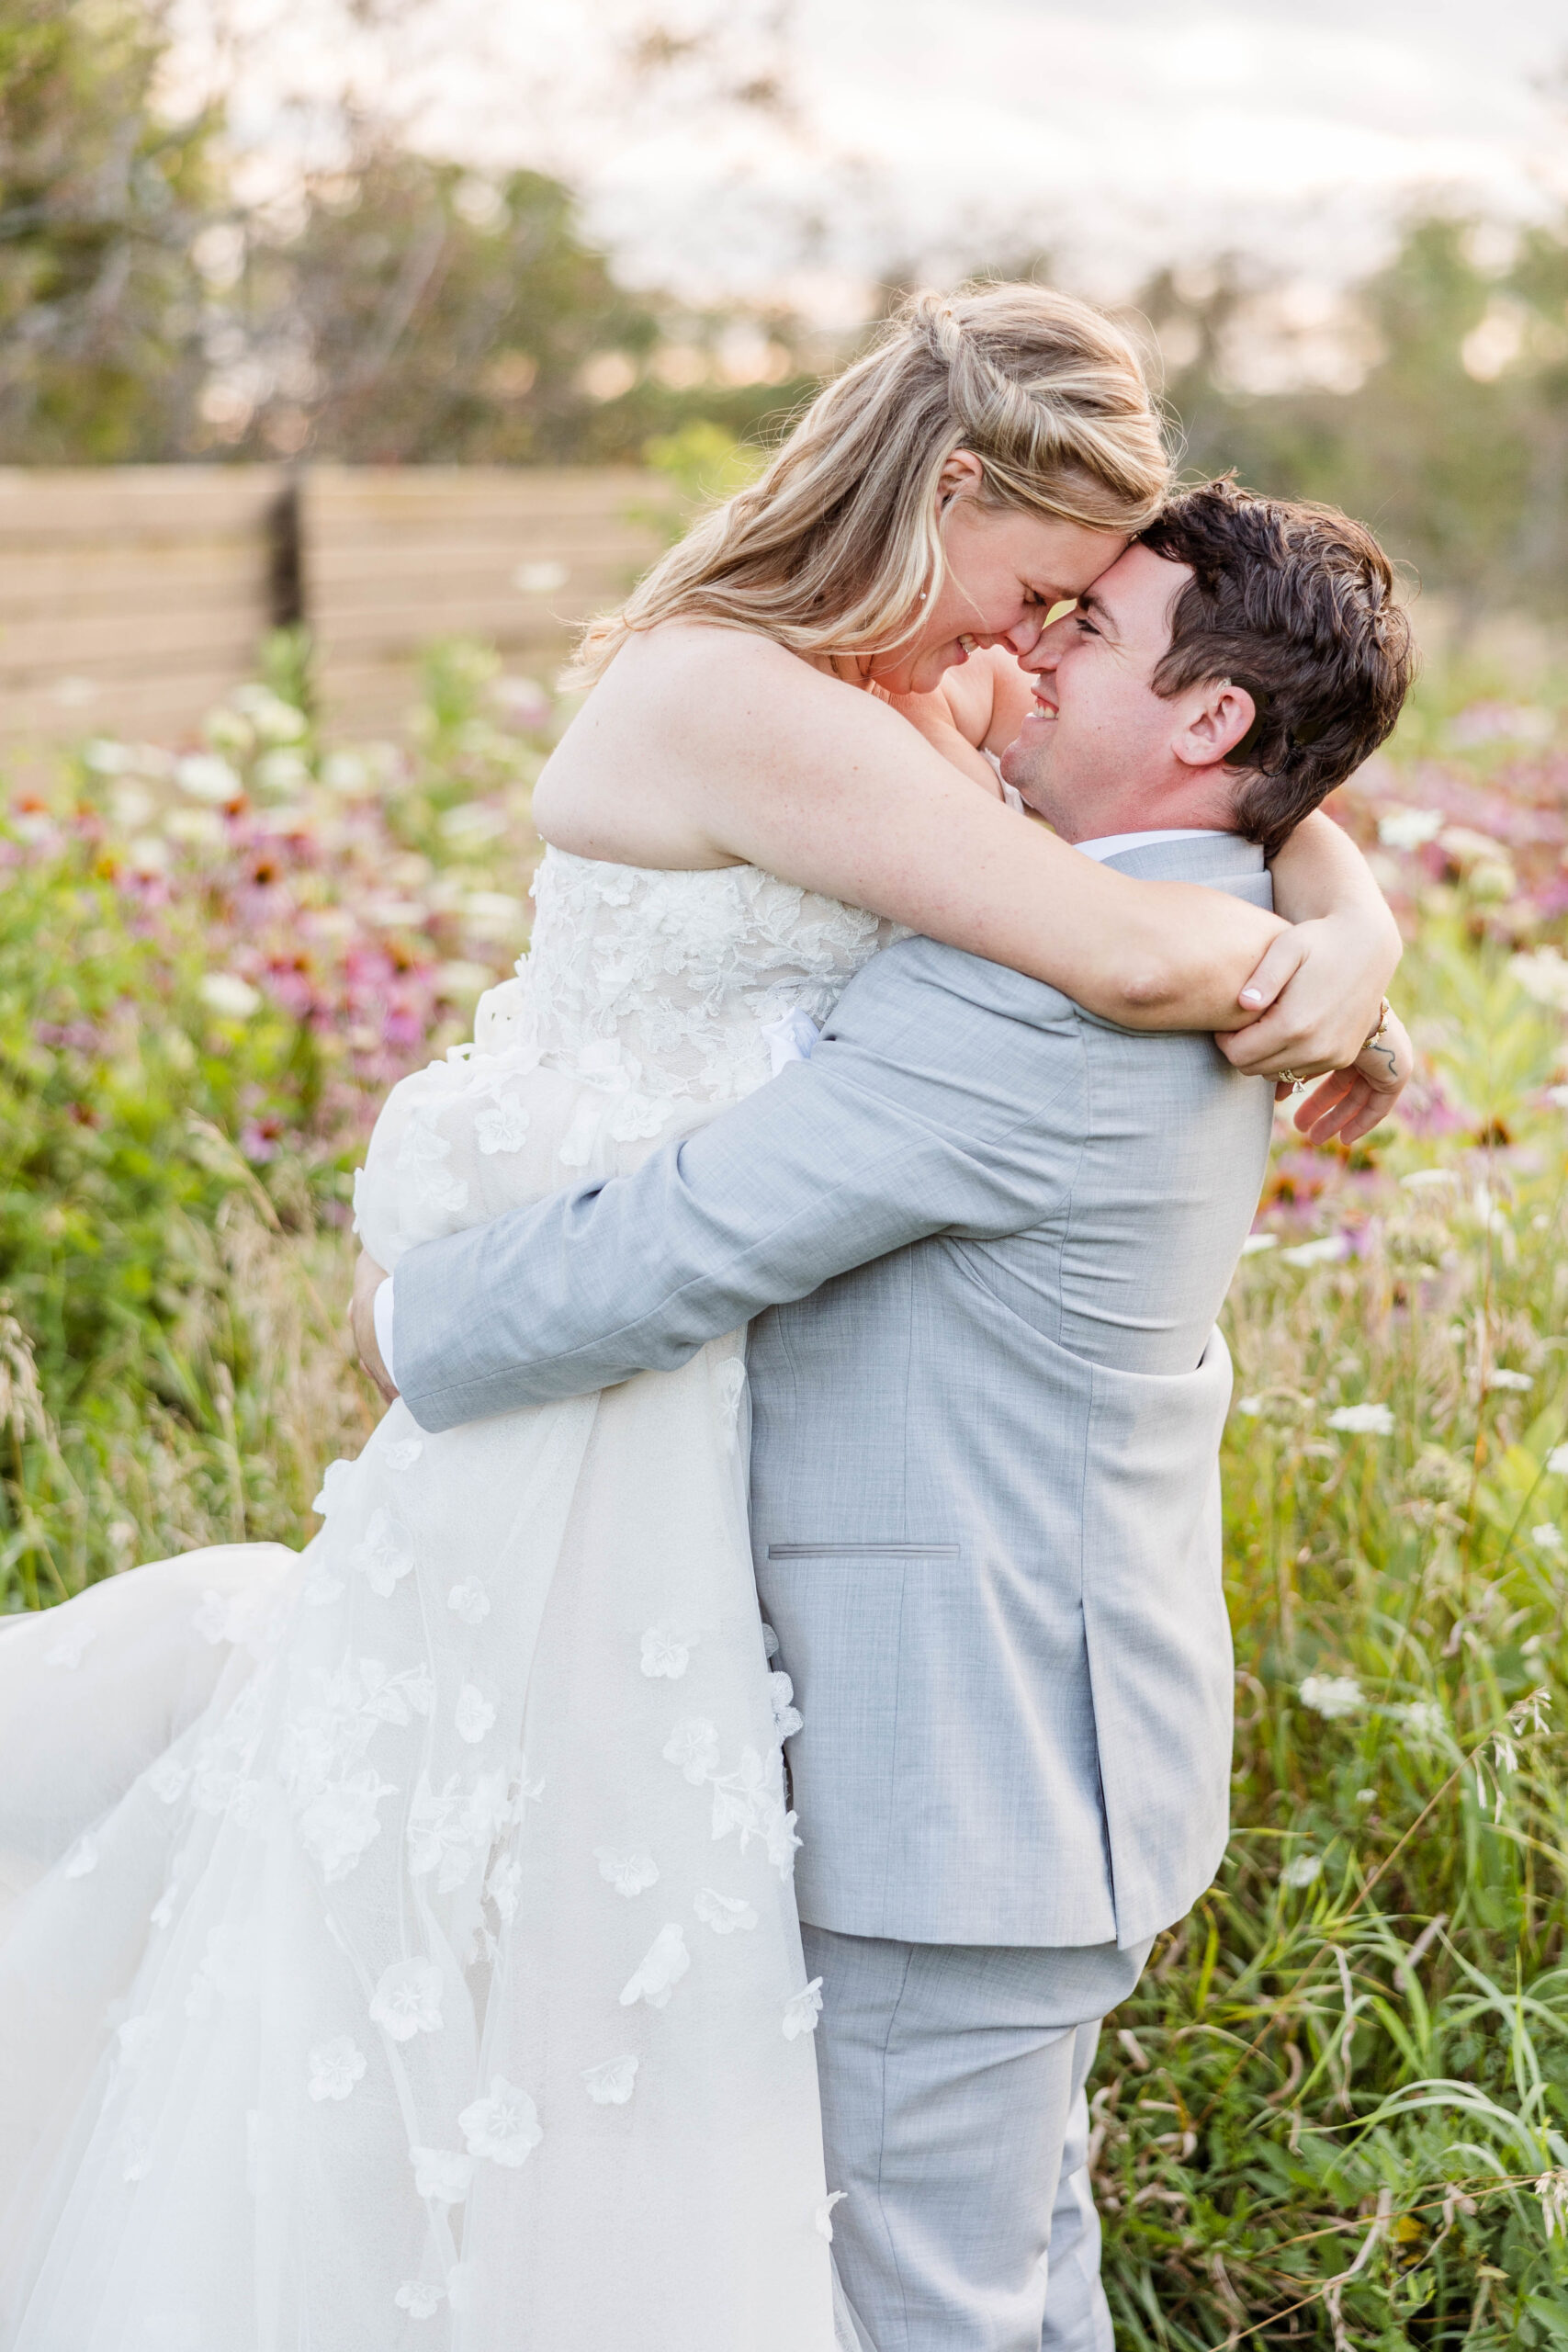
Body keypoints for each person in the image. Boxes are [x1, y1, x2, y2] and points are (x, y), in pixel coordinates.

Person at [0, 288, 1400, 2352]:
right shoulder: (775, 709)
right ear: (942, 493)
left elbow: (736, 1199)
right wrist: (1324, 937)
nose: (1027, 656)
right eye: (1040, 594)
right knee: (867, 2210)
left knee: (904, 2259)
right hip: (743, 1572)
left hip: (908, 1687)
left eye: (1071, 626)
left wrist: (1328, 921)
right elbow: (1152, 861)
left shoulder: (1046, 925)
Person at [358, 477, 1416, 2352]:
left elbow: (682, 1241)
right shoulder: (1187, 911)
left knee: (928, 2300)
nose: (1027, 651)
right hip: (1033, 1744)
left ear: (1208, 721)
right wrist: (1356, 914)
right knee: (1006, 2267)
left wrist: (407, 1313)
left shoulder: (1055, 1004)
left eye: (1083, 630)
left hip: (967, 1777)